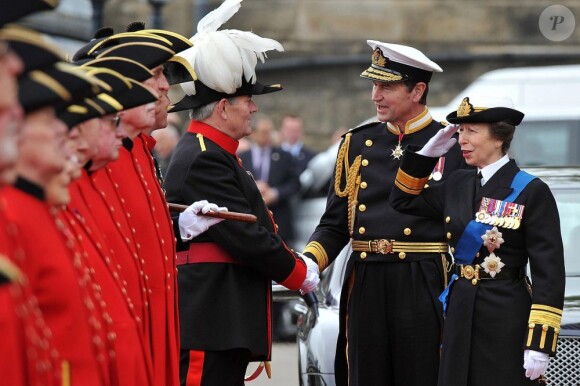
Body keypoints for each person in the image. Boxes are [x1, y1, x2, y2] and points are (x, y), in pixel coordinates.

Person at [163, 0, 320, 384]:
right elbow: (244, 235)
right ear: (222, 107)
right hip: (210, 317)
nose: (252, 108)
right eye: (247, 100)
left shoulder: (217, 154)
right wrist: (298, 271)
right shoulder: (203, 157)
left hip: (220, 316)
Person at [302, 40, 467, 386]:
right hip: (366, 278)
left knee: (422, 375)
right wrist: (307, 262)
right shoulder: (356, 143)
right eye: (374, 85)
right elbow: (335, 224)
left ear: (418, 90)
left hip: (422, 280)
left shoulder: (451, 144)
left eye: (387, 86)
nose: (375, 95)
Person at [389, 96, 565, 386]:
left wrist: (540, 342)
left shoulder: (531, 190)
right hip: (460, 309)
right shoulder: (457, 183)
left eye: (472, 131)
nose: (461, 140)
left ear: (498, 139)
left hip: (505, 313)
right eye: (460, 132)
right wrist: (425, 156)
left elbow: (549, 274)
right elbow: (402, 201)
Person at [238, 114, 300, 245]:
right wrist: (254, 186)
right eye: (263, 132)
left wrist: (276, 193)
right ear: (253, 132)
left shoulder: (284, 156)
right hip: (252, 220)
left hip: (279, 220)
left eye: (269, 132)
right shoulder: (242, 157)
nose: (267, 136)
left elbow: (295, 183)